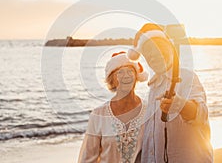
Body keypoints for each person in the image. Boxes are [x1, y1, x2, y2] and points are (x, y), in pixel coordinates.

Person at [127, 23, 213, 163]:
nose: (153, 56)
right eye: (148, 53)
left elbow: (200, 113)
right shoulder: (153, 87)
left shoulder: (186, 77)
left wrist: (179, 104)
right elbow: (149, 140)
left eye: (158, 49)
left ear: (170, 48)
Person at [78, 51, 149, 163]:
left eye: (130, 71)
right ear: (112, 80)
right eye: (120, 72)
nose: (126, 76)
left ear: (136, 77)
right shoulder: (98, 115)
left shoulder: (149, 111)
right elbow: (87, 158)